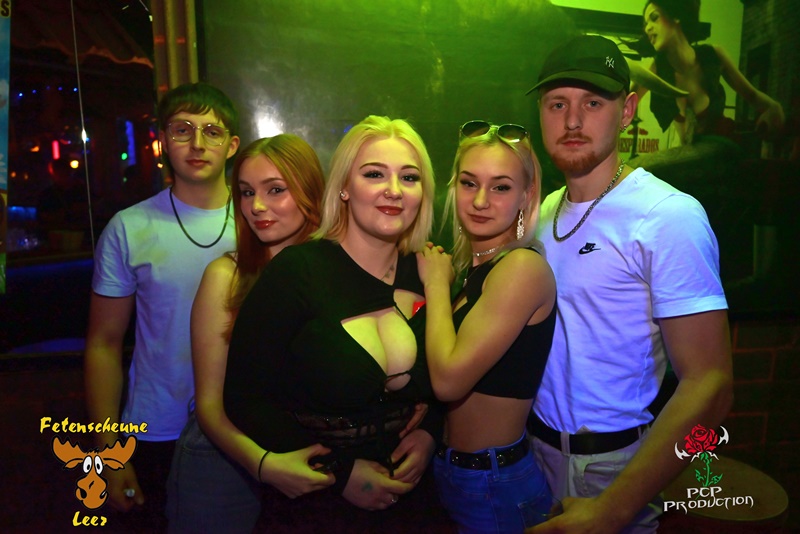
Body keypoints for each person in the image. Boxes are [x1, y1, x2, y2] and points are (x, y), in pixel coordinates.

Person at [525, 35, 733, 533]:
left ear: (627, 111)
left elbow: (713, 388)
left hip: (613, 471)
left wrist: (614, 509)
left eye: (593, 103)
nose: (573, 121)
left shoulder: (668, 215)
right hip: (529, 457)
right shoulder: (541, 212)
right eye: (558, 104)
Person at [223, 115, 450, 532]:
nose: (394, 190)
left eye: (410, 177)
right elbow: (244, 398)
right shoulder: (298, 271)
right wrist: (339, 472)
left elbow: (452, 374)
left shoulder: (429, 272)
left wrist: (431, 432)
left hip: (416, 503)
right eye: (374, 174)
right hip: (317, 508)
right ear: (344, 186)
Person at [84, 82, 240, 527]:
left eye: (212, 131)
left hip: (244, 422)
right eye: (182, 130)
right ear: (162, 142)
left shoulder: (262, 220)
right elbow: (103, 344)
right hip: (156, 428)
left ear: (231, 146)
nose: (197, 143)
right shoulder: (129, 227)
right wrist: (108, 454)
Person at [165, 135, 326, 533]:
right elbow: (209, 405)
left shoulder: (333, 275)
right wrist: (264, 465)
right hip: (223, 457)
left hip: (305, 452)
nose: (256, 206)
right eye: (247, 192)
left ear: (310, 192)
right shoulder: (227, 277)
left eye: (275, 190)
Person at [417, 121, 557, 533]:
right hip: (459, 474)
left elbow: (449, 381)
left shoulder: (521, 267)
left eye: (500, 187)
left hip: (493, 484)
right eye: (468, 183)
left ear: (526, 196)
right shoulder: (477, 270)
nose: (480, 200)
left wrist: (436, 285)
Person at [633, 0, 784, 145]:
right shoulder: (655, 69)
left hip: (724, 148)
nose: (647, 29)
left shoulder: (713, 55)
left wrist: (774, 108)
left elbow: (753, 95)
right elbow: (624, 106)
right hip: (685, 157)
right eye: (645, 24)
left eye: (654, 18)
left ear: (676, 15)